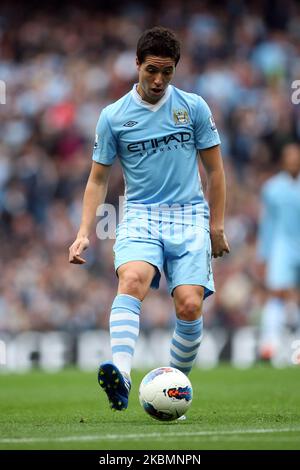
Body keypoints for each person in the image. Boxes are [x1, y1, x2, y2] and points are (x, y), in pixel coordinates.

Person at [69, 27, 229, 411]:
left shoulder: (193, 108)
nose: (159, 80)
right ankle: (122, 376)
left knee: (189, 305)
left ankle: (173, 389)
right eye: (152, 70)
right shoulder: (113, 117)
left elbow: (216, 172)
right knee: (133, 279)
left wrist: (216, 226)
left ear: (176, 70)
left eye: (168, 72)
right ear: (137, 64)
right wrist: (83, 232)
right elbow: (98, 178)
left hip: (189, 215)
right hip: (140, 215)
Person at [257, 143, 300, 360]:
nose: (293, 161)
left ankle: (297, 348)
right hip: (282, 245)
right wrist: (263, 255)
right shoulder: (272, 188)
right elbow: (267, 224)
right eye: (289, 157)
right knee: (277, 292)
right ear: (283, 160)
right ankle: (269, 344)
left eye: (296, 157)